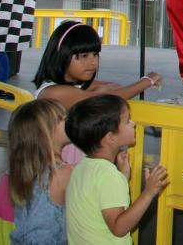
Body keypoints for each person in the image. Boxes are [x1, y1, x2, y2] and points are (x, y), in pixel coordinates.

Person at [64, 95, 169, 244]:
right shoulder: (108, 176)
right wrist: (149, 192)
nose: (133, 123)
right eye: (127, 121)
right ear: (109, 138)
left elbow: (99, 199)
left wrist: (123, 176)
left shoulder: (82, 167)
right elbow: (119, 227)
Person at [33, 21, 163, 109]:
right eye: (84, 56)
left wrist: (100, 91)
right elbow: (110, 98)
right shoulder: (53, 92)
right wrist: (148, 80)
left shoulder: (75, 85)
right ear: (62, 55)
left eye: (95, 54)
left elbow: (114, 88)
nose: (93, 62)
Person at [6, 99, 74, 245]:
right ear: (46, 133)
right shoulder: (62, 173)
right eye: (62, 119)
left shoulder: (24, 171)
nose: (69, 121)